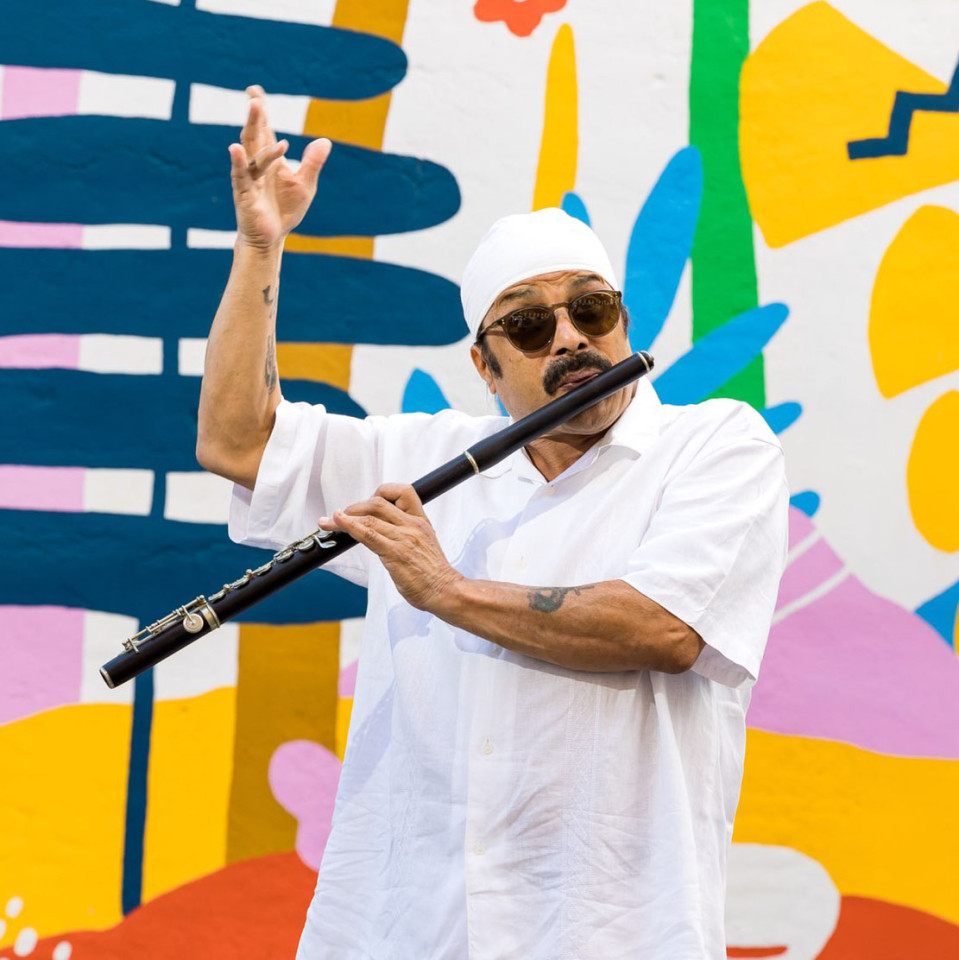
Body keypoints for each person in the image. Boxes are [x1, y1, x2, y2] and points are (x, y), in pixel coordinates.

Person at [197, 87, 789, 960]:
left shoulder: (714, 446)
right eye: (528, 325)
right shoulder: (424, 455)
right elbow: (237, 441)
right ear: (485, 364)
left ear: (621, 322)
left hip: (609, 933)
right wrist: (259, 246)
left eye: (591, 309)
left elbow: (661, 628)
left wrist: (444, 590)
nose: (569, 339)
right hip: (404, 931)